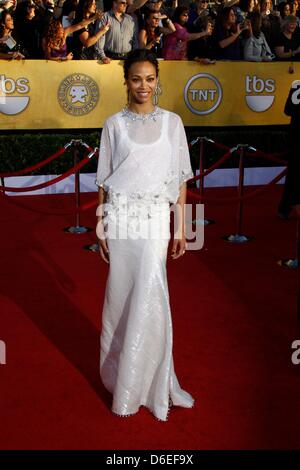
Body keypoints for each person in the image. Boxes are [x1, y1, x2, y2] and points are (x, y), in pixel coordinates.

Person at [95, 48, 195, 421]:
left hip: (155, 221)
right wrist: (101, 221)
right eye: (136, 79)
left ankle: (149, 383)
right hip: (121, 221)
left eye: (150, 79)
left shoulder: (173, 123)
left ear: (158, 80)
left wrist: (181, 227)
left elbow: (182, 179)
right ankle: (121, 377)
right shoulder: (113, 125)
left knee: (151, 292)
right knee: (121, 297)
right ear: (126, 81)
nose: (143, 86)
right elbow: (103, 180)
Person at [278, 81, 300, 219]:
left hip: (295, 134)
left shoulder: (296, 84)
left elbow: (287, 110)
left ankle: (284, 208)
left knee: (293, 173)